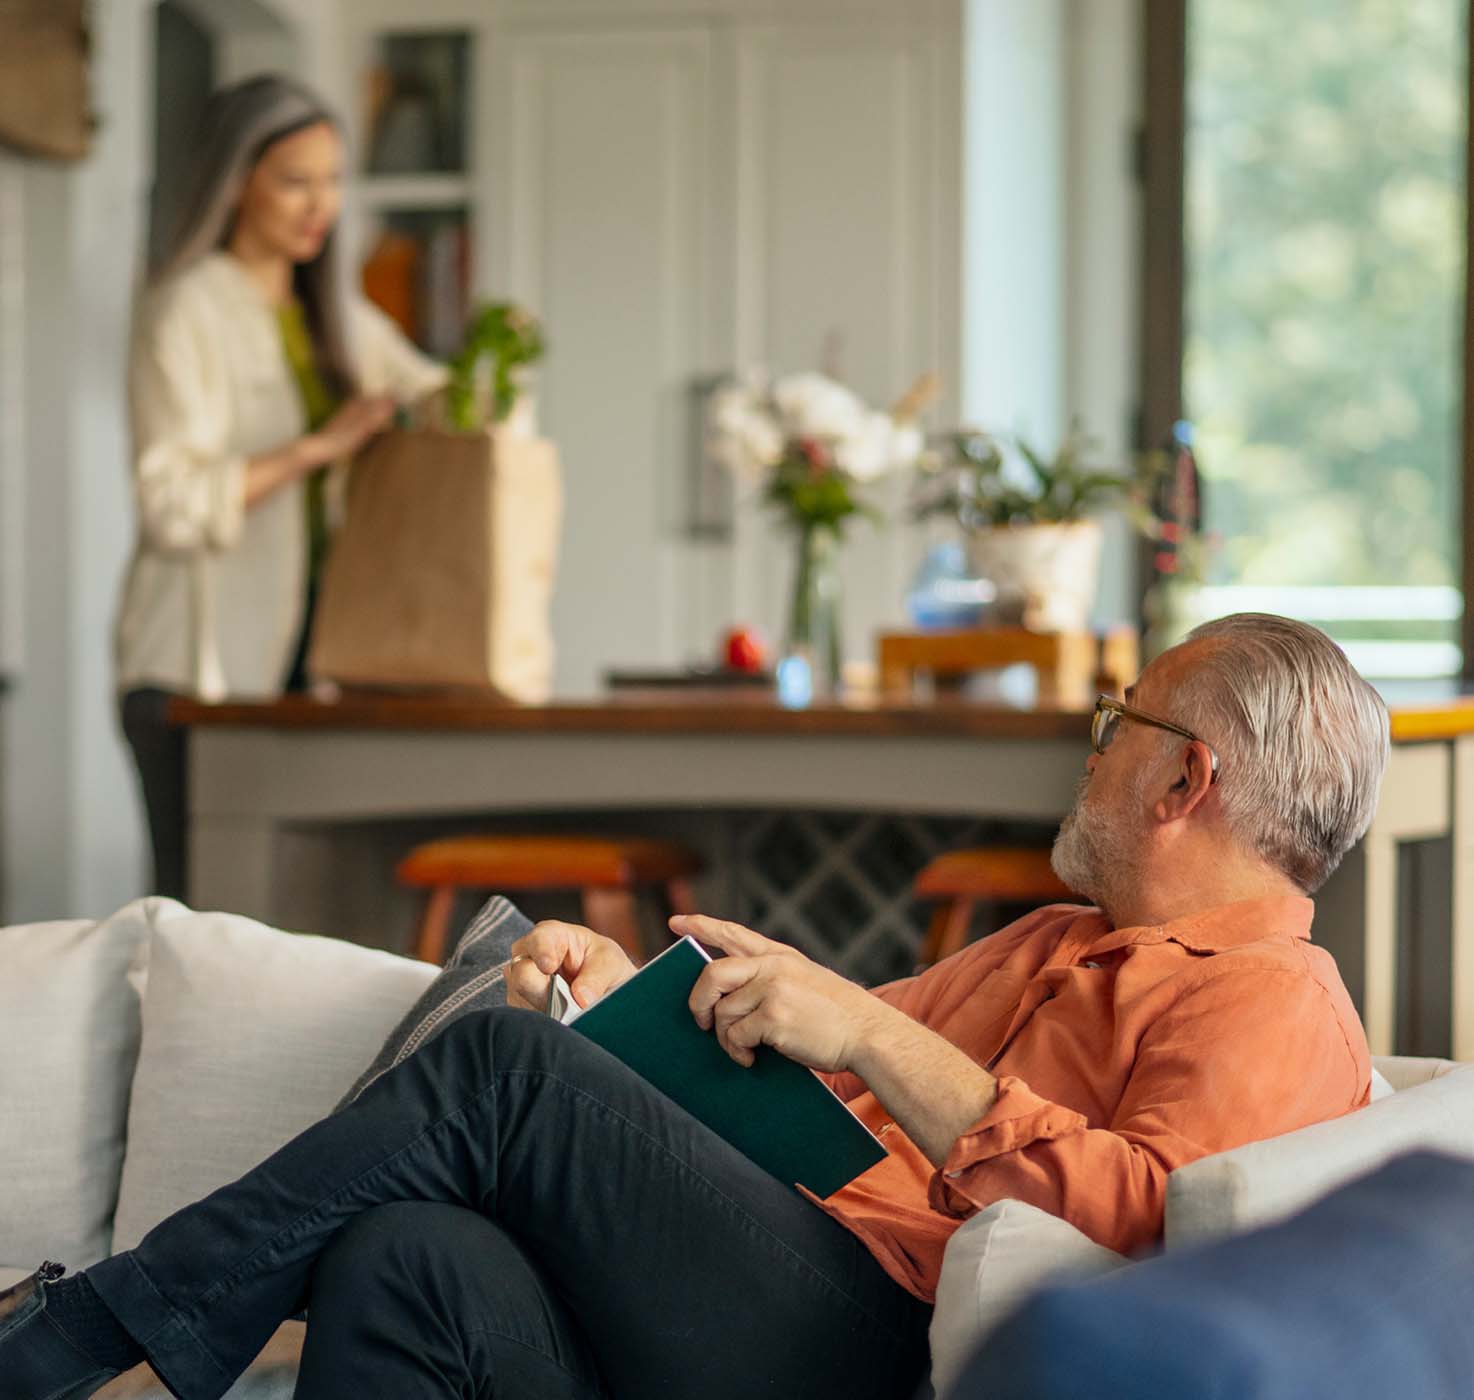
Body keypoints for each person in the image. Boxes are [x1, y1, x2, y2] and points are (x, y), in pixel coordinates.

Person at [2, 613, 1388, 1399]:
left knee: (495, 1073)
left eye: (1117, 725)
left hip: (871, 1347)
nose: (1090, 754)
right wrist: (644, 1020)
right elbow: (808, 1077)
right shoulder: (1054, 937)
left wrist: (866, 1030)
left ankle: (73, 1344)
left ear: (1182, 780)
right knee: (412, 1257)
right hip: (745, 1297)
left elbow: (1160, 1222)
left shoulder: (1272, 995)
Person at [116, 74, 448, 901]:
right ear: (236, 182)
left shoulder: (330, 315)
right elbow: (171, 504)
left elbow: (442, 396)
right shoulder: (184, 309)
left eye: (333, 181)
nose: (319, 206)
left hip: (300, 670)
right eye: (295, 181)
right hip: (193, 674)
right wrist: (315, 449)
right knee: (200, 916)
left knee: (284, 916)